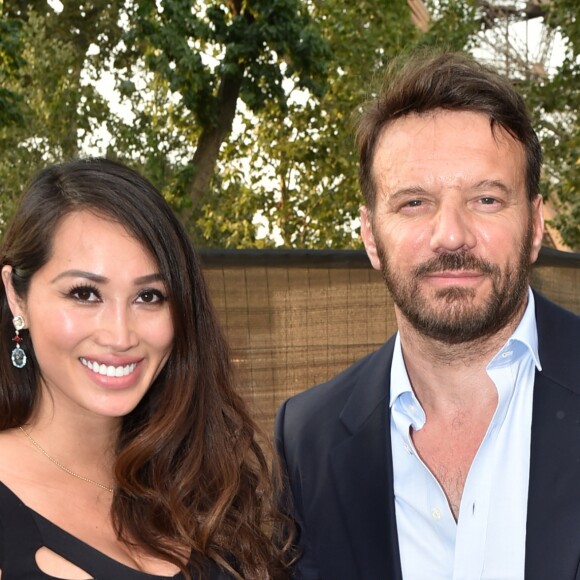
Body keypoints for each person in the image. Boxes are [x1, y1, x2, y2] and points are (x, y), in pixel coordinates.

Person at [275, 50, 580, 579]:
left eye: (486, 199)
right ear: (371, 236)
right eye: (414, 202)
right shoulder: (308, 440)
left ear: (533, 226)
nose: (451, 235)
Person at [0, 158, 290, 579]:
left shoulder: (195, 481)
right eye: (84, 293)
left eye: (149, 297)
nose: (120, 335)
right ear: (16, 296)